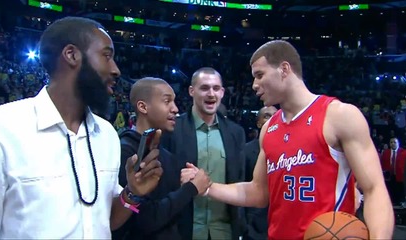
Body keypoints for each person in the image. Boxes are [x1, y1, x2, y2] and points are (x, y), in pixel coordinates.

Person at [0, 17, 162, 239]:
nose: (115, 69)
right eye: (106, 56)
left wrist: (132, 193)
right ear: (72, 55)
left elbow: (107, 221)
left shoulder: (106, 135)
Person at [197, 40, 393, 239]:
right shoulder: (268, 129)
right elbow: (258, 192)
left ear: (284, 69)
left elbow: (374, 189)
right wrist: (209, 187)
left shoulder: (339, 116)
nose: (254, 85)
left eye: (259, 75)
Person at [112, 77, 211, 240]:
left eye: (174, 102)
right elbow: (141, 219)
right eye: (167, 102)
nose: (175, 109)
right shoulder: (125, 151)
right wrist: (190, 189)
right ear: (143, 107)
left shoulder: (166, 154)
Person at [161, 67, 247, 240]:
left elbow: (241, 181)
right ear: (192, 91)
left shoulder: (236, 133)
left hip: (225, 232)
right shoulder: (172, 130)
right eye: (204, 88)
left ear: (222, 92)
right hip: (183, 230)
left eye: (216, 88)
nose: (211, 94)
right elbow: (161, 184)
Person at [244, 106, 277, 240]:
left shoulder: (290, 148)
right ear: (258, 123)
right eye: (267, 116)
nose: (273, 119)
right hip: (254, 225)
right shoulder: (246, 151)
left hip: (281, 219)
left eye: (275, 115)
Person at [381, 137, 406, 205]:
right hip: (389, 176)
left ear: (398, 143)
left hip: (400, 176)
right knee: (390, 191)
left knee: (399, 191)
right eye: (391, 142)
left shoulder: (404, 153)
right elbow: (382, 164)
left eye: (394, 142)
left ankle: (400, 203)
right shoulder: (386, 152)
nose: (393, 144)